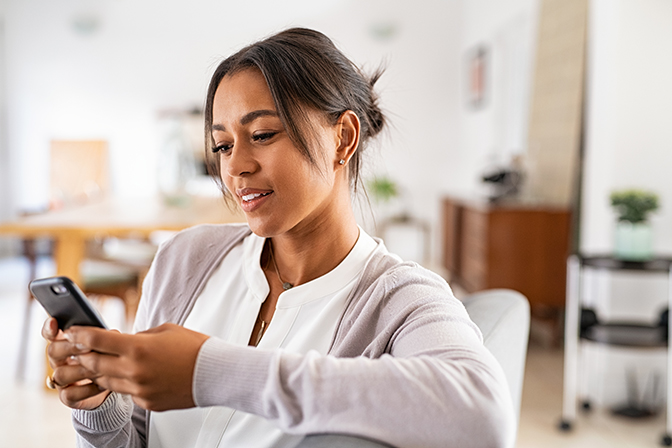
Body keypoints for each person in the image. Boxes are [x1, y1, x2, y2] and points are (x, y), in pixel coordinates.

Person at [42, 27, 515, 448]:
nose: (236, 166)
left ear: (343, 138)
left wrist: (208, 373)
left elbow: (484, 418)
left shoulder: (398, 298)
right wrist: (101, 405)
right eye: (223, 145)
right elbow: (138, 440)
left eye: (263, 134)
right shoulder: (184, 259)